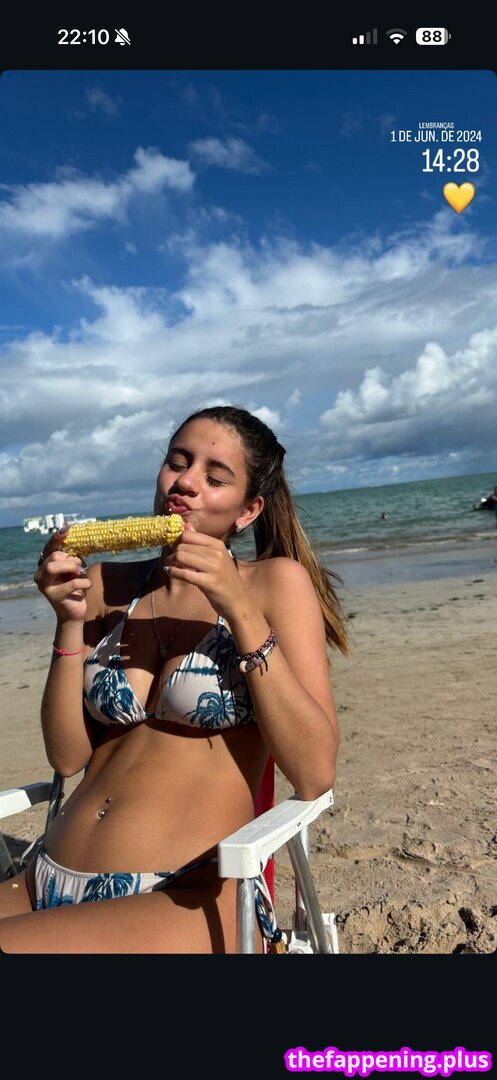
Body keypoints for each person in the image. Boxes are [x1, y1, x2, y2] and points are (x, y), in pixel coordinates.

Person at [0, 405, 348, 953]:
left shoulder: (274, 584)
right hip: (45, 876)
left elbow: (314, 772)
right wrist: (68, 621)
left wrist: (240, 609)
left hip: (187, 895)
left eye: (215, 477)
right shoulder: (106, 584)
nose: (185, 482)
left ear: (248, 510)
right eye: (177, 462)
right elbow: (67, 757)